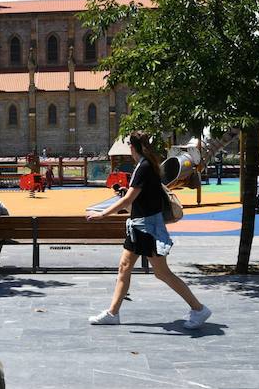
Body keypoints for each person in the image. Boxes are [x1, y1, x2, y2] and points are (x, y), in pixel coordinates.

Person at [87, 132, 210, 329]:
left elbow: (128, 200)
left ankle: (198, 309)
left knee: (162, 273)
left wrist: (102, 214)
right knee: (125, 267)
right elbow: (137, 199)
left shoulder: (143, 167)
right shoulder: (147, 165)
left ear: (132, 148)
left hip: (146, 228)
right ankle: (113, 313)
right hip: (140, 226)